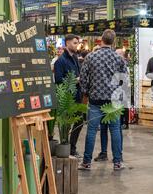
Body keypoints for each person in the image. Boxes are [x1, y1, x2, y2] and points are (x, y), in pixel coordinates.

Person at [79, 29, 127, 171]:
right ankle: (117, 162)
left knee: (92, 131)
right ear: (114, 41)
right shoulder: (119, 58)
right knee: (115, 131)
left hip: (95, 99)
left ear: (101, 39)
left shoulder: (91, 57)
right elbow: (123, 80)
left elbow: (83, 78)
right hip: (113, 101)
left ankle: (86, 162)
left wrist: (86, 92)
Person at [54, 35, 84, 158]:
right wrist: (74, 81)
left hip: (77, 96)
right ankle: (66, 146)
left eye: (77, 43)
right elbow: (59, 81)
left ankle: (72, 147)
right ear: (67, 43)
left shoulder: (75, 58)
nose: (77, 45)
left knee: (79, 122)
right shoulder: (60, 61)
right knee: (66, 125)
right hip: (67, 99)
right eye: (74, 43)